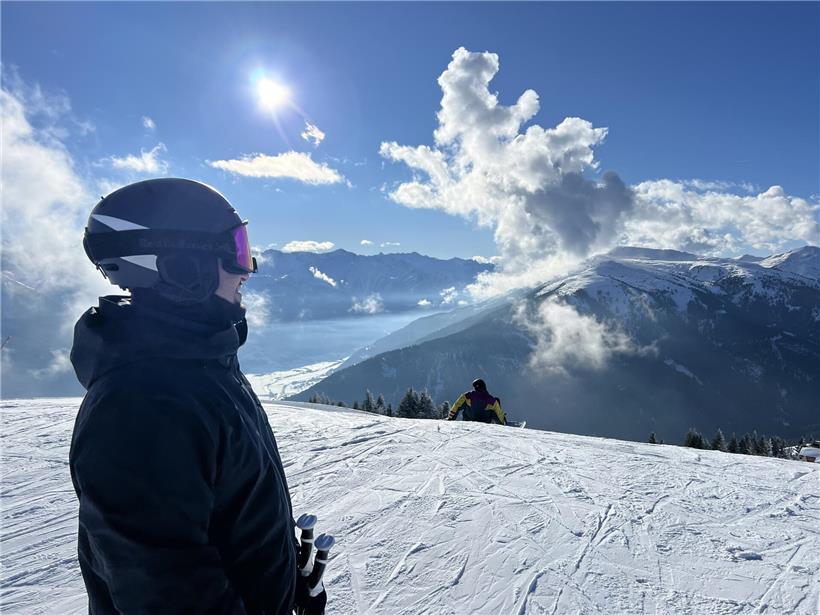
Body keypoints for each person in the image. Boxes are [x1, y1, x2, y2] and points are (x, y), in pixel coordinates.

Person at [69, 178, 325, 614]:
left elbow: (227, 515)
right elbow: (169, 594)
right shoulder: (142, 406)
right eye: (236, 251)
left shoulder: (204, 364)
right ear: (182, 268)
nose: (248, 269)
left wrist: (281, 581)